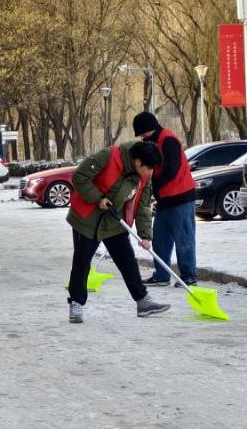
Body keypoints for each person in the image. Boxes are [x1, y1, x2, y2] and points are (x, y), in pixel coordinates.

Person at [66, 140, 171, 323]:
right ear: (137, 162)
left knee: (127, 261)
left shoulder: (144, 177)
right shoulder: (109, 156)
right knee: (81, 263)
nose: (151, 172)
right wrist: (98, 198)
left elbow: (143, 206)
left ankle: (143, 301)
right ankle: (76, 303)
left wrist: (145, 235)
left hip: (114, 220)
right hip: (87, 218)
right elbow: (79, 177)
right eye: (149, 168)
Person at [133, 111, 198, 288]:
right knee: (160, 240)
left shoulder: (168, 140)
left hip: (181, 197)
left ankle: (188, 276)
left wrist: (154, 184)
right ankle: (162, 275)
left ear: (149, 129)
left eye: (142, 133)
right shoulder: (153, 142)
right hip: (164, 200)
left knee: (184, 239)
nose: (141, 137)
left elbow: (171, 169)